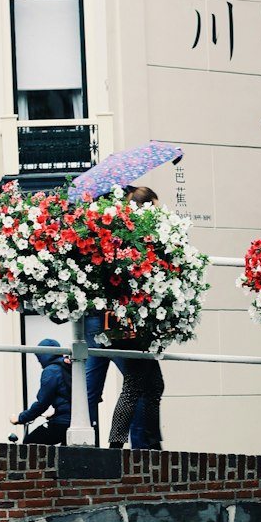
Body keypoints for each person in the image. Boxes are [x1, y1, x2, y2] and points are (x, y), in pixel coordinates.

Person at [107, 185, 165, 451]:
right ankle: (121, 443)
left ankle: (151, 442)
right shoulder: (135, 238)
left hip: (132, 322)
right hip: (131, 323)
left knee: (153, 384)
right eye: (156, 206)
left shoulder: (135, 236)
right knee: (135, 386)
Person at [11, 339, 72, 445]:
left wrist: (21, 418)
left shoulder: (51, 371)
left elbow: (42, 403)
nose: (38, 361)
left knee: (30, 443)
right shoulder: (68, 366)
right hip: (73, 421)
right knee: (64, 452)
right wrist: (56, 413)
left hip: (62, 422)